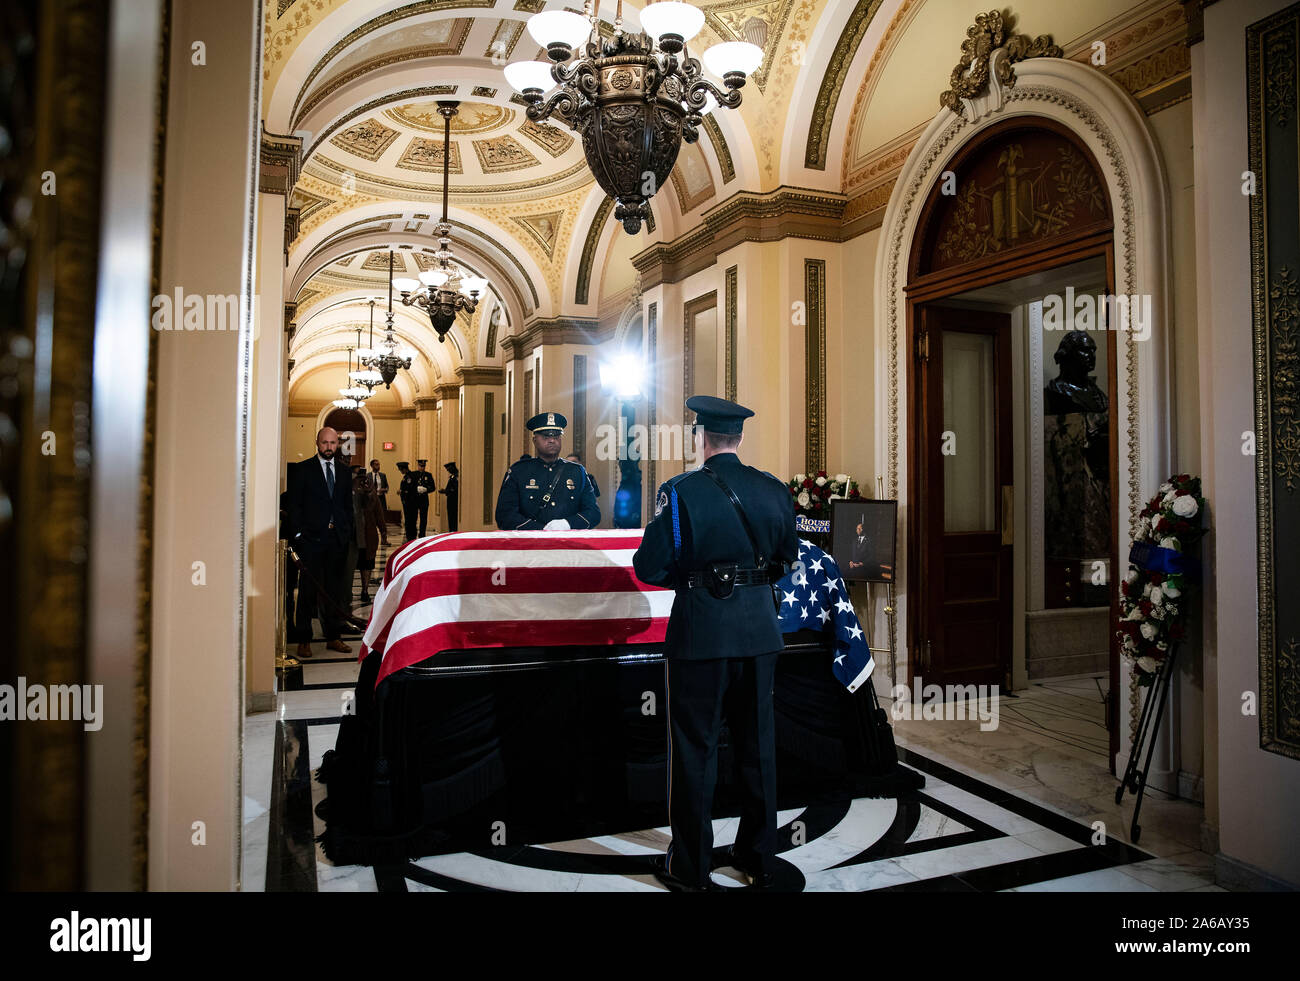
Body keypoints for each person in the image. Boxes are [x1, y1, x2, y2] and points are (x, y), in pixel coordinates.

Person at [633, 395, 798, 891]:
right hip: (761, 633)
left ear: (698, 437)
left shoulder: (681, 492)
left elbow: (650, 566)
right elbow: (786, 557)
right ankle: (760, 857)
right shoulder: (773, 489)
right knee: (758, 748)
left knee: (695, 750)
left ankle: (690, 866)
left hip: (702, 634)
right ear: (740, 439)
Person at [285, 427, 355, 659]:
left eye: (332, 443)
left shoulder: (345, 473)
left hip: (337, 541)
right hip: (311, 541)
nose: (328, 447)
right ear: (317, 443)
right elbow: (295, 506)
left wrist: (347, 533)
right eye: (324, 442)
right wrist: (298, 536)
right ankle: (304, 639)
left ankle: (333, 636)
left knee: (334, 590)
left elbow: (347, 507)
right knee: (307, 591)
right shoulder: (303, 470)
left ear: (338, 444)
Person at [495, 412, 600, 530]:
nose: (552, 441)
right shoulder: (519, 471)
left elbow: (593, 513)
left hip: (569, 543)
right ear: (535, 440)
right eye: (546, 437)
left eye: (556, 436)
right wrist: (541, 529)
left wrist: (567, 524)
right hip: (530, 543)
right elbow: (504, 516)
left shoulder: (576, 472)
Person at [352, 470, 385, 604]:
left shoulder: (371, 496)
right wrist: (383, 532)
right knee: (363, 564)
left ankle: (364, 590)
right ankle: (362, 591)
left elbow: (379, 515)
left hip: (367, 536)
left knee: (366, 564)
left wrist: (383, 532)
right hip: (356, 536)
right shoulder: (353, 495)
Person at [369, 459, 391, 545]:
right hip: (371, 501)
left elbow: (387, 487)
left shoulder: (383, 475)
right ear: (372, 466)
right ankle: (372, 540)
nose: (378, 466)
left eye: (379, 464)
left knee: (382, 520)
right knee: (371, 521)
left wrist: (384, 489)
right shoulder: (368, 476)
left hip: (381, 499)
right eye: (376, 465)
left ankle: (384, 539)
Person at [414, 459, 436, 537]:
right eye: (421, 466)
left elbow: (433, 487)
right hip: (415, 499)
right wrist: (416, 489)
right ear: (418, 466)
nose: (422, 468)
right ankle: (413, 533)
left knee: (423, 518)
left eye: (423, 466)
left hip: (424, 499)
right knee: (414, 517)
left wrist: (426, 489)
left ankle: (422, 534)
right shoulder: (414, 474)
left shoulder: (428, 475)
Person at [397, 461, 417, 542]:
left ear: (404, 469)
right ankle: (409, 536)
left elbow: (410, 490)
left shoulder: (410, 477)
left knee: (411, 520)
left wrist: (401, 491)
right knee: (408, 520)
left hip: (411, 503)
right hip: (407, 503)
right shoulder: (406, 476)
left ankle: (411, 537)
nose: (401, 472)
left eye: (401, 470)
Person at [438, 461, 460, 532]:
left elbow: (455, 489)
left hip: (454, 501)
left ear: (452, 468)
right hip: (450, 500)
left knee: (453, 518)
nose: (448, 471)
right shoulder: (452, 477)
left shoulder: (456, 477)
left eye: (448, 469)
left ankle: (453, 532)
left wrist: (445, 491)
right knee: (450, 517)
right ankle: (451, 531)